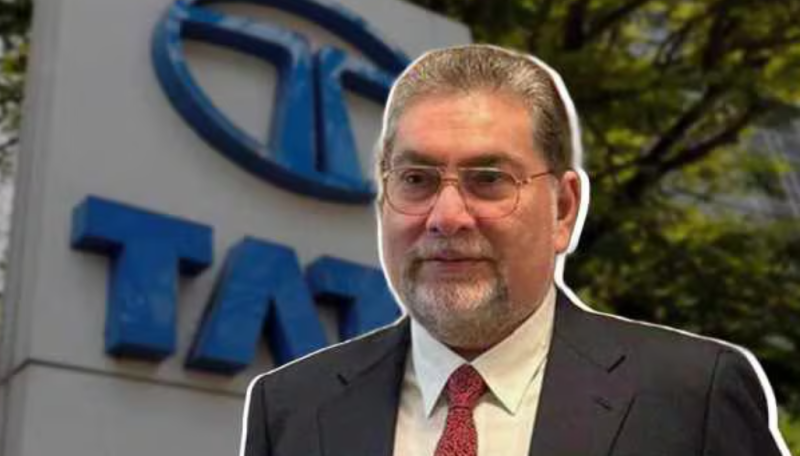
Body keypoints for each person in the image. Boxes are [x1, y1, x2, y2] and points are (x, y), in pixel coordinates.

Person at [240, 44, 789, 456]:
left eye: (487, 179)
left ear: (564, 209)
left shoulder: (691, 398)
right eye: (416, 179)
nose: (446, 217)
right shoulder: (289, 409)